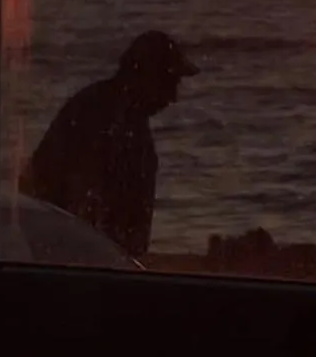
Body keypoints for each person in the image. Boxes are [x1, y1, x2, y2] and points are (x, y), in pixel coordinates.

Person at [20, 30, 198, 260]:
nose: (173, 97)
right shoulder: (107, 120)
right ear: (145, 76)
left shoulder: (104, 110)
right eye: (168, 82)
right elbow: (85, 207)